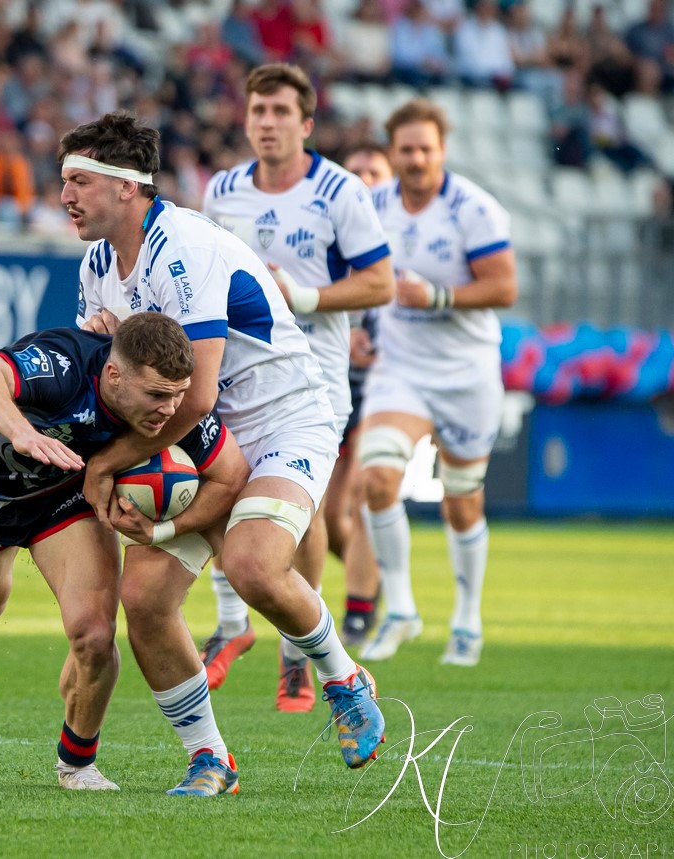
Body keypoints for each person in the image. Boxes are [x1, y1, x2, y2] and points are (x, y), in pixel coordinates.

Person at [61, 111, 386, 770]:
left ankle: (344, 679)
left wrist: (108, 465)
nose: (65, 195)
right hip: (206, 440)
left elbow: (198, 395)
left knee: (253, 564)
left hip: (283, 421)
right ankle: (210, 759)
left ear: (127, 185)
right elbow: (123, 388)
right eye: (63, 180)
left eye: (79, 180)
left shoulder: (182, 247)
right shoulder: (97, 263)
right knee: (144, 601)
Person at [0, 312, 246, 792]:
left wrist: (161, 532)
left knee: (95, 635)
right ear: (114, 374)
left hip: (67, 497)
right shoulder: (63, 365)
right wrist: (22, 431)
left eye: (179, 394)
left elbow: (231, 475)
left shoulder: (175, 411)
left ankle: (76, 764)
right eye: (157, 395)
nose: (170, 409)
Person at [200, 64, 394, 708]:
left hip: (313, 381)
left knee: (299, 516)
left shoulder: (340, 191)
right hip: (238, 375)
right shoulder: (223, 190)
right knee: (222, 489)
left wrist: (300, 295)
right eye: (258, 110)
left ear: (306, 123)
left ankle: (294, 647)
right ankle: (232, 624)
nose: (268, 122)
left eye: (281, 111)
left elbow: (380, 282)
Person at [360, 99, 517, 667]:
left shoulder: (473, 208)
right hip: (401, 367)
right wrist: (357, 327)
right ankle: (401, 609)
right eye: (406, 149)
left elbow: (504, 287)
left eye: (426, 148)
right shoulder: (373, 205)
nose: (416, 159)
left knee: (462, 502)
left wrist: (438, 296)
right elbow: (357, 275)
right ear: (393, 152)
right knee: (377, 477)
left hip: (467, 372)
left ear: (442, 151)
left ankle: (467, 620)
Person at [333, 141, 394, 646]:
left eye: (375, 171)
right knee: (331, 519)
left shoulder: (403, 241)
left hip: (382, 391)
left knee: (360, 496)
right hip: (332, 385)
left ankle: (357, 610)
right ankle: (376, 574)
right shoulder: (327, 233)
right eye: (356, 171)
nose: (366, 180)